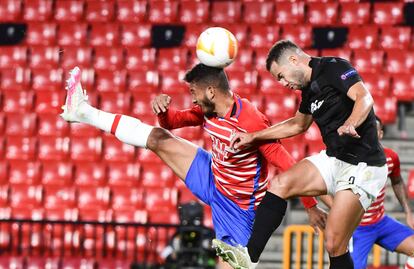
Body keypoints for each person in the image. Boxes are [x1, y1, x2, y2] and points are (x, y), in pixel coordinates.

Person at [60, 64, 325, 268]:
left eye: (193, 92)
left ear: (210, 91)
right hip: (212, 176)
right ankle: (84, 112)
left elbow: (288, 166)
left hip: (241, 211)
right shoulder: (209, 110)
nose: (193, 99)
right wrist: (163, 111)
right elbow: (172, 123)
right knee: (158, 138)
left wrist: (312, 209)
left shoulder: (251, 121)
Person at [213, 40, 388, 269]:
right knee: (280, 184)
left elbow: (364, 97)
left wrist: (351, 123)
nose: (283, 83)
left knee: (334, 242)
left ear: (294, 60)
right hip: (335, 159)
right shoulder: (308, 91)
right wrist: (253, 136)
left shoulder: (334, 67)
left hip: (364, 165)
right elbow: (297, 125)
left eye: (281, 76)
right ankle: (248, 258)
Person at [349, 116, 414, 269]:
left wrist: (408, 212)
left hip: (381, 222)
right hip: (357, 228)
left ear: (381, 134)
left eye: (374, 130)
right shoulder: (349, 158)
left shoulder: (391, 157)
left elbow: (397, 181)